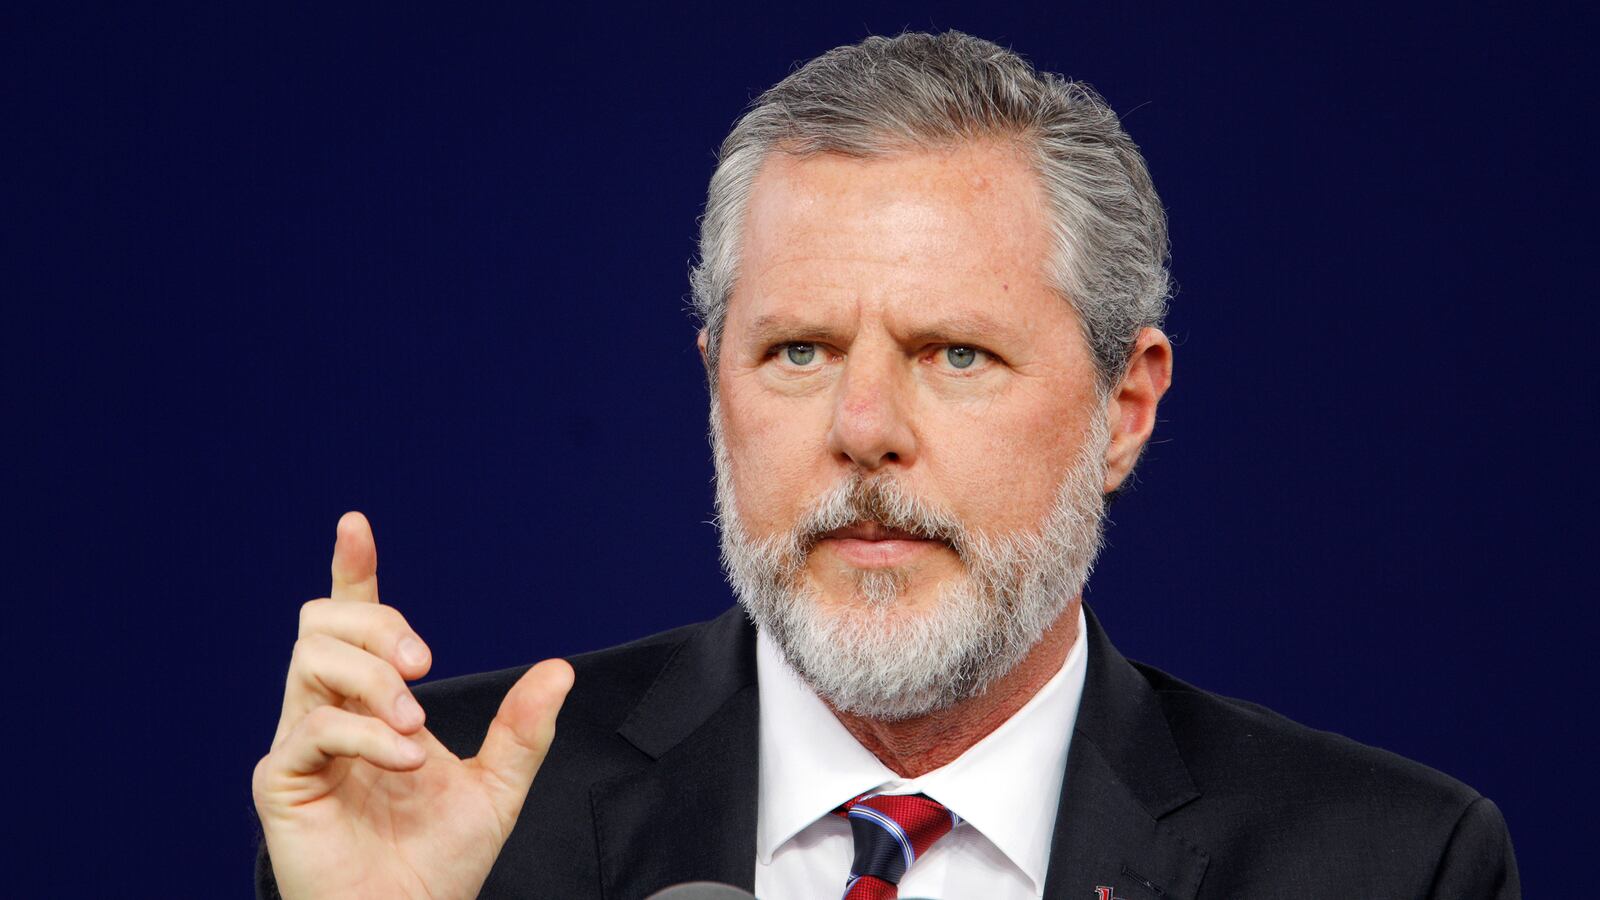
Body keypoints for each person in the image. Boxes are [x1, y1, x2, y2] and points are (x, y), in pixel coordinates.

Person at [251, 31, 1519, 900]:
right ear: (715, 388)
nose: (863, 427)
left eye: (955, 353)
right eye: (797, 352)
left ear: (1124, 410)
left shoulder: (1387, 864)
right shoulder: (441, 815)